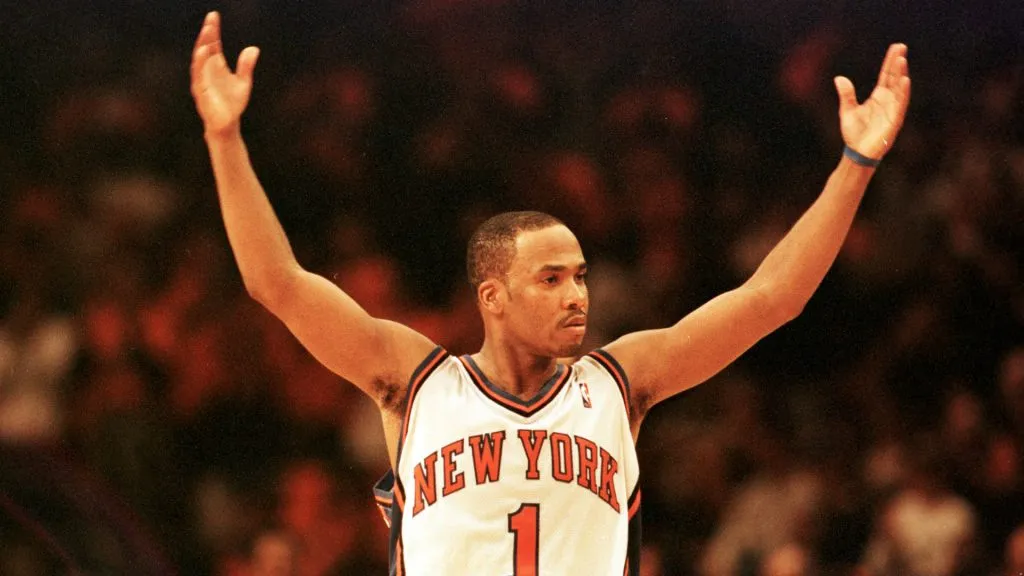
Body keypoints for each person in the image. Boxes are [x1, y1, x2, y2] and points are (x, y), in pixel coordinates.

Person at [190, 11, 911, 575]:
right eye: (552, 278)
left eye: (582, 276)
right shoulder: (416, 381)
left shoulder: (621, 382)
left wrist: (855, 164)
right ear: (492, 296)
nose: (578, 295)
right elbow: (275, 283)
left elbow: (771, 299)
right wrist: (224, 138)